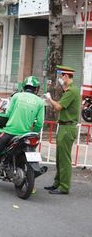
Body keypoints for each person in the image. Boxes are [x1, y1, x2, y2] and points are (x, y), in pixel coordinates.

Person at [44, 65, 80, 195]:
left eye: (61, 76)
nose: (60, 79)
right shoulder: (69, 91)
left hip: (68, 128)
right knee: (59, 158)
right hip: (64, 126)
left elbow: (58, 107)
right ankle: (57, 183)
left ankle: (64, 187)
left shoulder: (72, 91)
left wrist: (49, 99)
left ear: (66, 76)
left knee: (64, 159)